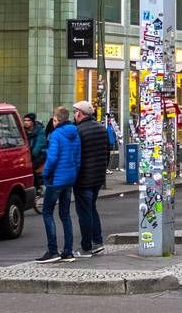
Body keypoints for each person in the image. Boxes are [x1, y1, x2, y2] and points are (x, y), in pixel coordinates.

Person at [35, 106, 81, 263]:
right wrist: (74, 173)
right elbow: (77, 157)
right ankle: (68, 251)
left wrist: (45, 174)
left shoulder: (55, 135)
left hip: (56, 180)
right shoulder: (74, 133)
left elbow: (52, 159)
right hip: (69, 178)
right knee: (65, 214)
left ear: (56, 119)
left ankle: (53, 250)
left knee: (47, 212)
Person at [72, 101, 109, 258]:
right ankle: (97, 241)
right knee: (92, 208)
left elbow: (76, 156)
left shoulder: (78, 131)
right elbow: (107, 152)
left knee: (84, 212)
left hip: (84, 178)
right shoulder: (101, 128)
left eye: (75, 112)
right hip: (97, 177)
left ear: (80, 113)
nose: (74, 115)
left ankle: (86, 246)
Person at [23, 113, 48, 196]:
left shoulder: (40, 130)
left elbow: (39, 145)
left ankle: (38, 188)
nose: (26, 122)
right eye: (25, 120)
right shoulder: (23, 130)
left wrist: (31, 154)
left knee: (31, 168)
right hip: (27, 155)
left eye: (28, 120)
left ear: (33, 121)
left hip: (40, 154)